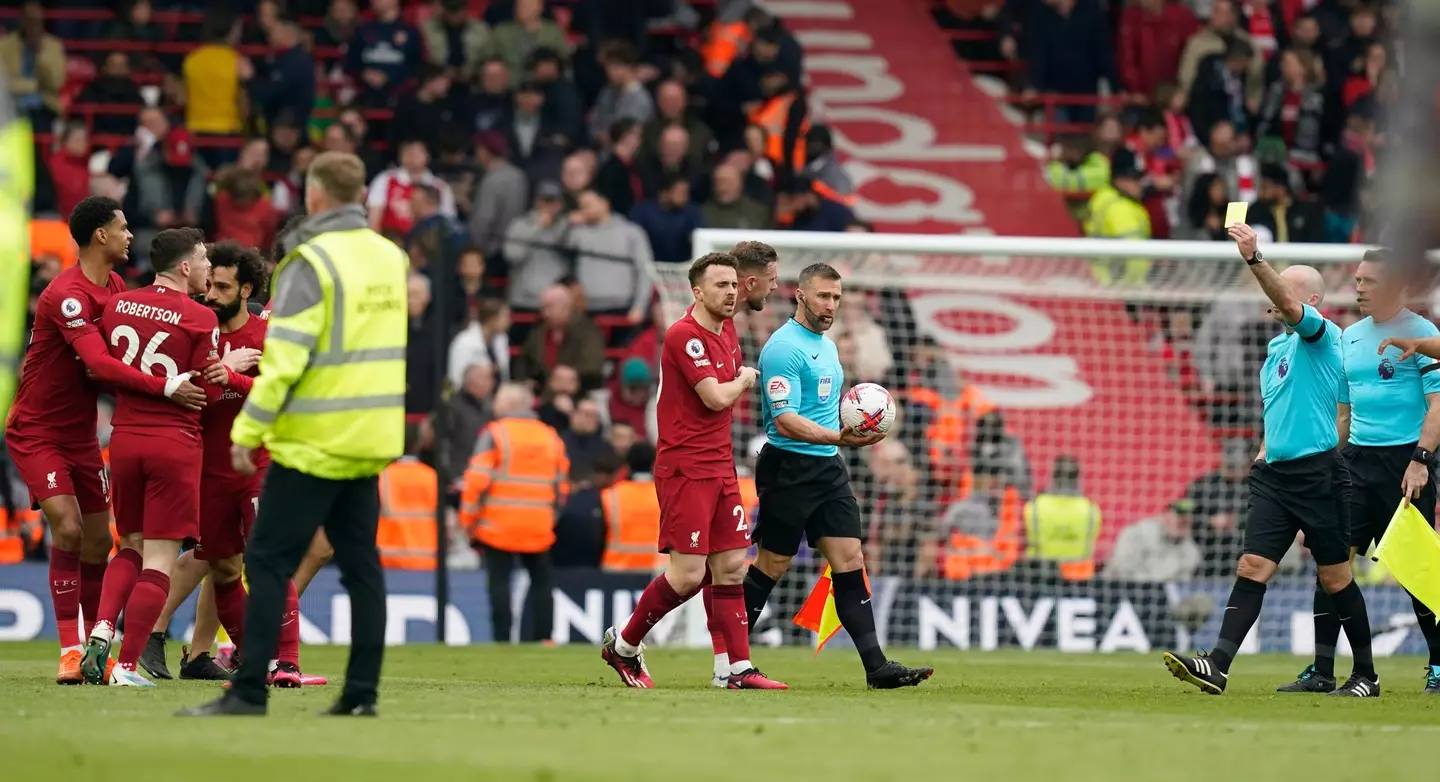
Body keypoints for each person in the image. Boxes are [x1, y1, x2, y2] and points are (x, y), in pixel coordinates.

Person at [180, 151, 409, 717]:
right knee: (362, 568)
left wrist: (248, 430)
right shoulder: (391, 259)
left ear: (315, 195)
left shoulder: (309, 262)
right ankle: (360, 696)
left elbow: (284, 358)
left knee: (265, 559)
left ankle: (249, 690)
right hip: (373, 433)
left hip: (314, 434)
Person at [1163, 224, 1377, 697]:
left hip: (1319, 476)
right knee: (1251, 567)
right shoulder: (1276, 348)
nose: (1274, 298)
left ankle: (1366, 674)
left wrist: (1256, 259)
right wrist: (1263, 454)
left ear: (1312, 301)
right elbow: (1280, 412)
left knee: (1335, 577)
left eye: (1288, 291)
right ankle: (1217, 665)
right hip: (1274, 476)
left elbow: (1289, 305)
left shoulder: (1323, 337)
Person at [4, 196, 206, 685]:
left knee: (100, 541)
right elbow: (97, 364)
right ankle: (70, 650)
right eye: (122, 228)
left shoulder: (116, 287)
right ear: (101, 235)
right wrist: (165, 386)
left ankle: (101, 646)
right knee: (69, 530)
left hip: (81, 434)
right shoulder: (65, 296)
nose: (130, 236)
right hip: (38, 430)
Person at [139, 242, 328, 688]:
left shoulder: (267, 336)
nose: (212, 294)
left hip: (257, 465)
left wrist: (235, 377)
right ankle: (253, 658)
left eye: (223, 287)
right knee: (221, 567)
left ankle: (287, 663)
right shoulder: (198, 330)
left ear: (246, 289)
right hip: (206, 469)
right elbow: (181, 396)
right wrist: (215, 371)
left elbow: (284, 397)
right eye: (212, 285)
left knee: (269, 559)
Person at [600, 252, 786, 690]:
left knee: (731, 568)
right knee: (687, 574)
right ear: (697, 292)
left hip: (720, 465)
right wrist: (745, 378)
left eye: (733, 285)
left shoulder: (728, 328)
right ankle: (623, 646)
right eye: (720, 285)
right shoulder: (685, 335)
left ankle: (735, 669)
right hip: (686, 467)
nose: (730, 292)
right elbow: (716, 398)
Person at [743, 262, 933, 689]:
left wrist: (845, 436)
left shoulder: (826, 346)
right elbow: (786, 419)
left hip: (828, 465)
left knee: (851, 559)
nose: (830, 305)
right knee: (773, 565)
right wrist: (840, 437)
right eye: (823, 296)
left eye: (836, 298)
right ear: (801, 296)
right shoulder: (782, 348)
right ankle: (731, 660)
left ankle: (876, 667)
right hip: (789, 465)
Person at [1278, 249, 1440, 694]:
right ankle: (1323, 670)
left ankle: (1439, 665)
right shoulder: (1349, 337)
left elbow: (1438, 404)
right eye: (1358, 279)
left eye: (1369, 281)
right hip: (1355, 465)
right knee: (1332, 563)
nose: (1359, 287)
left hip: (1404, 463)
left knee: (1415, 569)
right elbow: (1343, 415)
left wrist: (1421, 459)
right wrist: (1323, 463)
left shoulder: (1422, 333)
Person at [81, 227, 220, 687]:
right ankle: (124, 667)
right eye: (203, 260)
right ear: (184, 266)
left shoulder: (118, 304)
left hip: (123, 439)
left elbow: (101, 365)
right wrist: (234, 369)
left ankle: (100, 630)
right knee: (160, 559)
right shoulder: (200, 318)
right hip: (173, 443)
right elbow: (209, 391)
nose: (207, 267)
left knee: (130, 547)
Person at [460, 382, 568, 643]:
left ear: (509, 404)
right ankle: (544, 638)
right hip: (538, 525)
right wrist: (551, 518)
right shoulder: (550, 436)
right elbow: (561, 486)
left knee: (499, 583)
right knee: (541, 582)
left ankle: (502, 638)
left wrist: (468, 522)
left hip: (498, 525)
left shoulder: (495, 434)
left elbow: (477, 481)